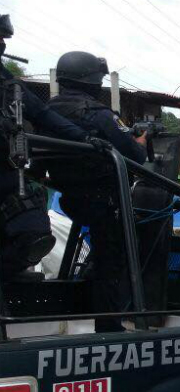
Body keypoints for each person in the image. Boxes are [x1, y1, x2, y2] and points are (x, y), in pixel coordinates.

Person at [45, 51, 149, 332]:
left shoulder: (46, 112)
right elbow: (134, 155)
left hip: (69, 198)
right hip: (101, 199)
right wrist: (139, 139)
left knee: (104, 254)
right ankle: (109, 324)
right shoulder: (98, 114)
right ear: (92, 81)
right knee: (114, 260)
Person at [0, 18, 97, 281]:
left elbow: (44, 114)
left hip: (6, 176)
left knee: (35, 235)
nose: (3, 44)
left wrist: (88, 138)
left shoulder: (10, 87)